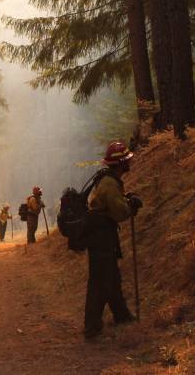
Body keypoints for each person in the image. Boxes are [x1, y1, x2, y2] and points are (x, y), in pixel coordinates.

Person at [82, 140, 143, 339]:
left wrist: (127, 199)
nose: (129, 163)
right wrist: (130, 207)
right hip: (101, 237)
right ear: (121, 164)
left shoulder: (110, 180)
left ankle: (121, 315)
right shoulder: (109, 183)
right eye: (127, 161)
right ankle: (91, 328)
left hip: (102, 234)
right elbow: (118, 212)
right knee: (100, 281)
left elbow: (113, 203)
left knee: (112, 278)